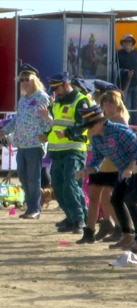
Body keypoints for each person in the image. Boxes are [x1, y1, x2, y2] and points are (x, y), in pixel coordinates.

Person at [75, 104, 137, 246]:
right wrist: (85, 171)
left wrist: (130, 168)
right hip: (123, 171)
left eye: (91, 125)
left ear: (101, 121)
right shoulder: (96, 138)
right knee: (116, 200)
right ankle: (129, 235)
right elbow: (96, 160)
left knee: (131, 200)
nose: (89, 129)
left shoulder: (119, 131)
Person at [39, 71, 90, 234]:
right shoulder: (57, 103)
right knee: (58, 187)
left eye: (58, 88)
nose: (55, 92)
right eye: (53, 89)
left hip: (74, 150)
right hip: (57, 151)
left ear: (67, 85)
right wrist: (46, 135)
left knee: (70, 183)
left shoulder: (81, 100)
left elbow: (84, 125)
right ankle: (71, 217)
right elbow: (55, 125)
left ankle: (80, 219)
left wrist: (67, 133)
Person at [76, 89, 130, 244]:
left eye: (111, 102)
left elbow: (126, 146)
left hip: (113, 166)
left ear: (117, 104)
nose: (107, 105)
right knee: (94, 198)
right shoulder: (98, 121)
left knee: (111, 200)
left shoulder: (120, 121)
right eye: (105, 102)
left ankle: (122, 229)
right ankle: (90, 232)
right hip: (99, 165)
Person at [0, 63, 51, 219]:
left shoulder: (42, 97)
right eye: (21, 80)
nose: (24, 82)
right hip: (21, 144)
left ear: (34, 80)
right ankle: (30, 206)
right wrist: (3, 130)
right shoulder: (23, 99)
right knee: (22, 176)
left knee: (33, 178)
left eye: (27, 79)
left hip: (35, 143)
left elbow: (49, 121)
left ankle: (35, 208)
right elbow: (17, 120)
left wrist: (47, 129)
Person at [117, 34, 137, 126]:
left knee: (136, 108)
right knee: (127, 107)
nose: (128, 43)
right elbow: (115, 69)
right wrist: (126, 73)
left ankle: (136, 128)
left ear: (132, 43)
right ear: (122, 43)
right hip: (124, 85)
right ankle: (128, 127)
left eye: (129, 41)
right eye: (126, 41)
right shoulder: (118, 54)